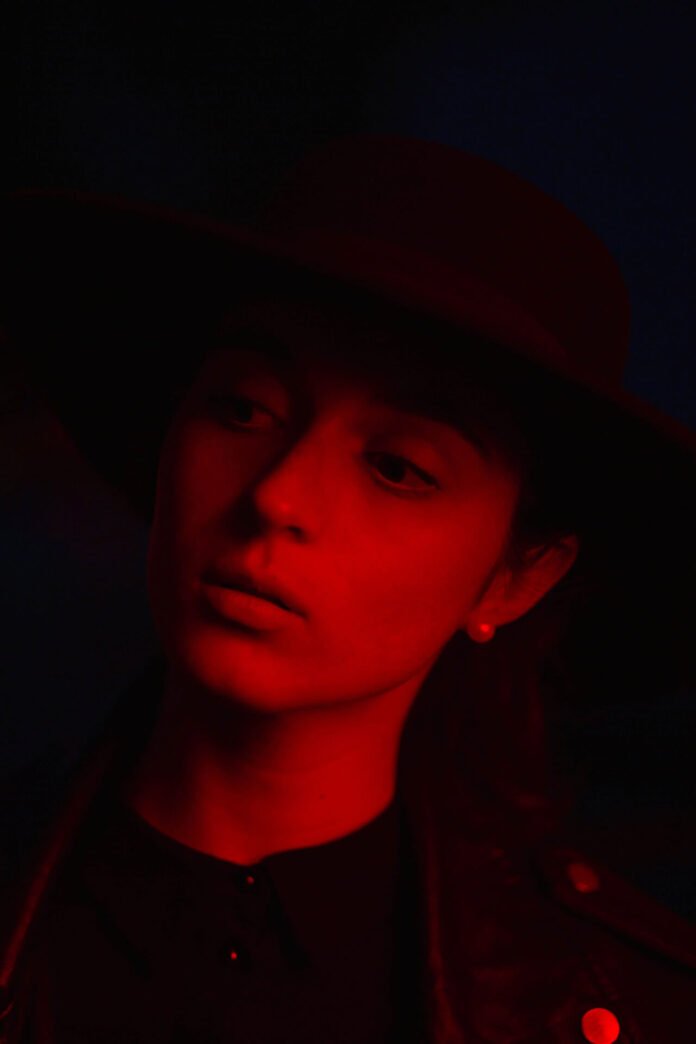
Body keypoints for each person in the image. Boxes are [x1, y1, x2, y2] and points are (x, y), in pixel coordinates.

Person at [1, 133, 695, 1043]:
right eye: (244, 408)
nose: (278, 495)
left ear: (515, 579)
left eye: (398, 467)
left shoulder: (619, 1008)